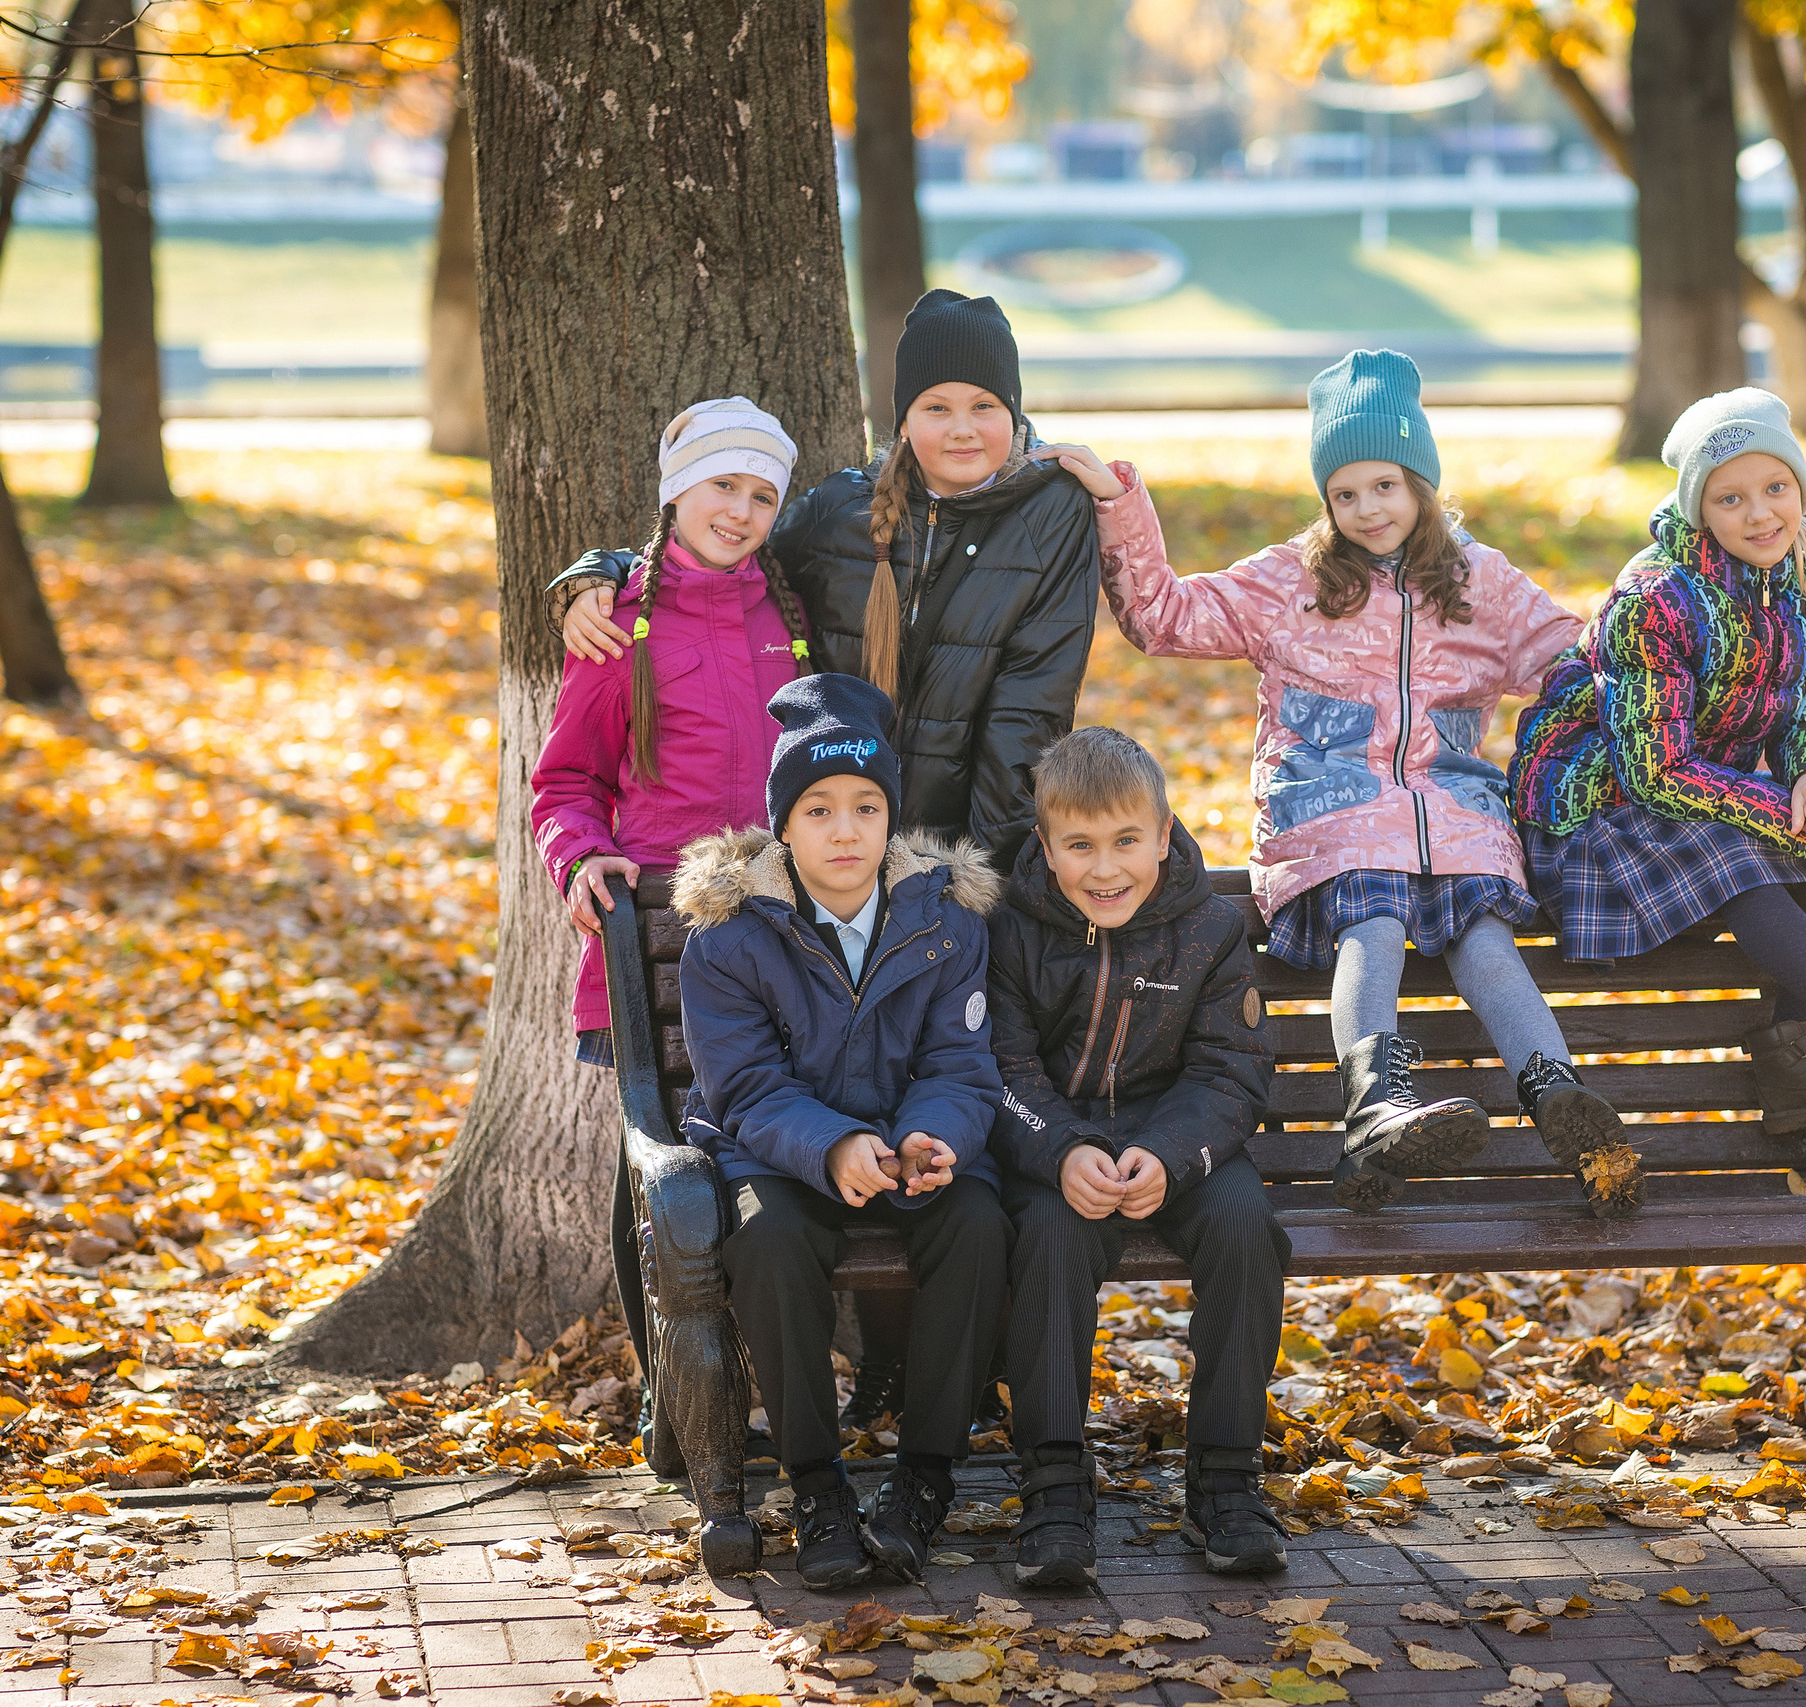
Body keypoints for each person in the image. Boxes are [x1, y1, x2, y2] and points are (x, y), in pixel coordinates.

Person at [551, 292, 1126, 1422]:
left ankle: (916, 1382)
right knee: (690, 1141)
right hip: (741, 897)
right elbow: (699, 557)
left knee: (885, 1120)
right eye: (934, 404)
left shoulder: (1025, 524)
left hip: (890, 890)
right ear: (898, 415)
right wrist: (593, 573)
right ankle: (696, 1395)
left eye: (984, 405)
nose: (960, 426)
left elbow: (1026, 716)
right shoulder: (796, 539)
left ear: (1016, 412)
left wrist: (952, 883)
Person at [1085, 350, 1642, 1219]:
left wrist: (1655, 627)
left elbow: (1577, 665)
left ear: (1421, 482)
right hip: (1330, 814)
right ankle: (1375, 1104)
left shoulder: (1482, 583)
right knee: (1375, 918)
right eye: (1344, 493)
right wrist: (1117, 502)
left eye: (1385, 484)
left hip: (1454, 812)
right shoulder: (1292, 582)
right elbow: (1163, 616)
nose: (1367, 508)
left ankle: (1558, 1093)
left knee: (1485, 937)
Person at [1510, 387, 1806, 1128]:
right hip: (1599, 811)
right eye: (1730, 498)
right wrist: (1803, 820)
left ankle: (1796, 1055)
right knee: (1744, 845)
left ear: (1801, 488)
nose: (1760, 513)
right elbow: (1655, 772)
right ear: (1699, 513)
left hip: (1706, 795)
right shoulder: (1655, 599)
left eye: (1776, 488)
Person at [669, 674, 1010, 1590]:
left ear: (892, 817)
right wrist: (830, 1145)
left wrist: (933, 1137)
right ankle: (817, 1482)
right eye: (818, 809)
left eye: (867, 806)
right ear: (784, 825)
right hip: (777, 1152)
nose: (846, 830)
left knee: (978, 1223)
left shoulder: (943, 919)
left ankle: (924, 1477)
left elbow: (960, 1064)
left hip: (906, 1147)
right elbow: (744, 1087)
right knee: (770, 1241)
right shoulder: (731, 936)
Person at [984, 728, 1287, 1586]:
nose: (1105, 868)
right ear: (1046, 846)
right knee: (1049, 1234)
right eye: (1079, 845)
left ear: (1162, 834)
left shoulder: (1210, 927)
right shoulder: (1010, 927)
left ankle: (1225, 1476)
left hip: (1177, 1135)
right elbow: (999, 1068)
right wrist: (1061, 1149)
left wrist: (1168, 1153)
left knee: (1245, 1224)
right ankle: (1053, 1481)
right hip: (1056, 1142)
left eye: (1126, 840)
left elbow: (1231, 1069)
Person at [530, 396, 810, 1062]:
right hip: (661, 930)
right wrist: (581, 857)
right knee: (669, 1120)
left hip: (785, 936)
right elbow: (568, 779)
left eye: (763, 497)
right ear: (677, 488)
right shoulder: (617, 624)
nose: (741, 512)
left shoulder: (789, 613)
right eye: (724, 484)